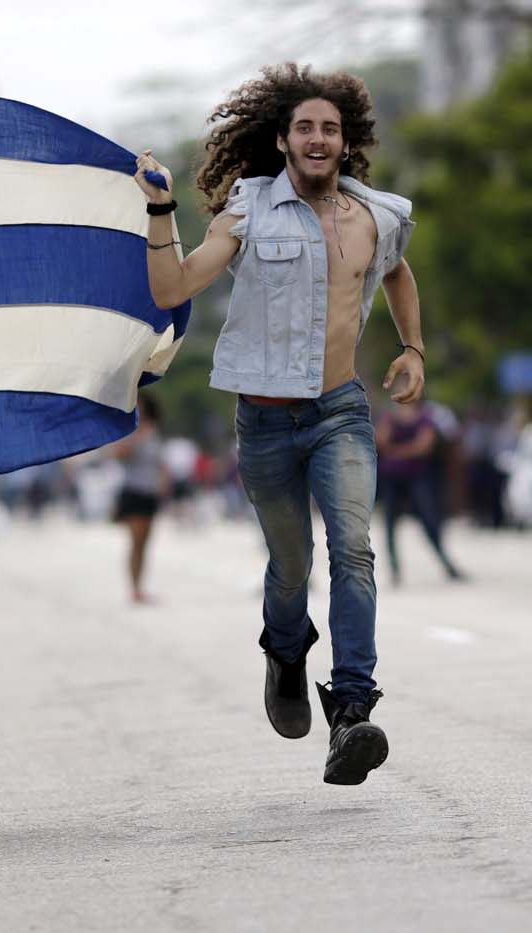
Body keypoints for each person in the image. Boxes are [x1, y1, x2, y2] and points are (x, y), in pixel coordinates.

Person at [135, 64, 426, 786]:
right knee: (291, 565)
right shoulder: (249, 210)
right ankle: (286, 652)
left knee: (353, 549)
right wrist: (162, 211)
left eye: (330, 128)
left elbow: (397, 271)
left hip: (340, 412)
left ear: (345, 139)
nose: (318, 138)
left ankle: (353, 707)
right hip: (262, 420)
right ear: (283, 139)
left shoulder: (378, 215)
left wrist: (412, 346)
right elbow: (174, 285)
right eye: (305, 128)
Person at [375, 402, 464, 584]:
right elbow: (380, 440)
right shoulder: (390, 417)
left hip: (417, 477)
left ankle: (446, 563)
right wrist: (407, 449)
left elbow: (424, 446)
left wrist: (395, 451)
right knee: (390, 525)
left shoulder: (426, 416)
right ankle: (395, 570)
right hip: (392, 478)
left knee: (429, 521)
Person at [110, 393, 168, 604]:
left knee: (145, 543)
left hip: (150, 492)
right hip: (133, 490)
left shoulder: (155, 433)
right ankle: (134, 588)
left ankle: (139, 586)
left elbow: (161, 462)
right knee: (135, 541)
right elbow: (117, 454)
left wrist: (164, 482)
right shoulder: (129, 431)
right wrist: (137, 437)